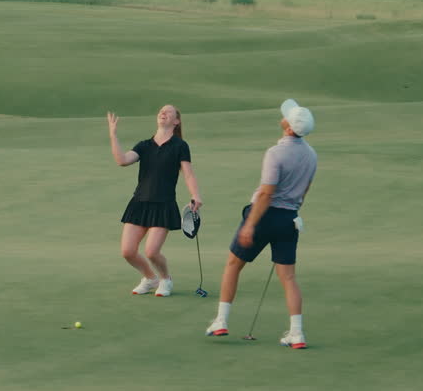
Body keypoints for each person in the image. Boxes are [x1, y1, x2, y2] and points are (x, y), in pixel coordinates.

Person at [205, 99, 317, 348]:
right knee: (288, 277)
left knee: (233, 265)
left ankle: (221, 321)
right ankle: (297, 333)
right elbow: (304, 190)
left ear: (289, 127)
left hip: (263, 216)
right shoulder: (311, 155)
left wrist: (250, 225)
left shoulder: (275, 153)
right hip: (289, 218)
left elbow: (266, 193)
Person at [107, 105, 203, 297]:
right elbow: (122, 160)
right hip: (139, 204)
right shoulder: (144, 145)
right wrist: (113, 135)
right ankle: (150, 278)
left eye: (169, 112)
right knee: (127, 251)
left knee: (151, 251)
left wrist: (195, 195)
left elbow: (188, 174)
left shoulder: (180, 146)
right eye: (161, 111)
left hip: (163, 205)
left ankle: (166, 279)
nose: (163, 113)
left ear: (176, 121)